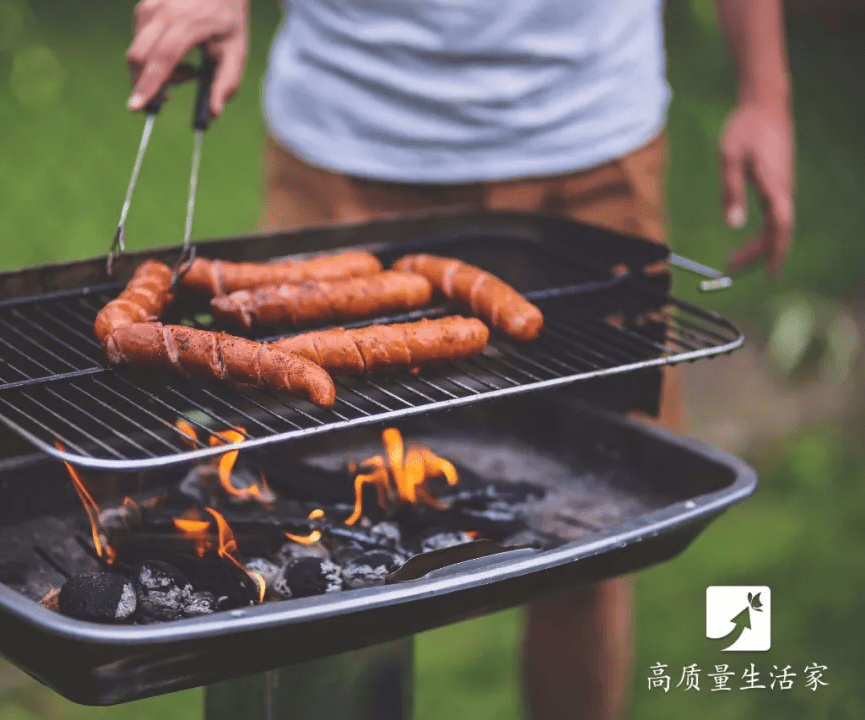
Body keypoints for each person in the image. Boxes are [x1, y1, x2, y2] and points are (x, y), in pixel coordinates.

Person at [125, 1, 794, 717]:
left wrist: (764, 93)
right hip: (350, 129)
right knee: (305, 532)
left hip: (588, 133)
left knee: (595, 536)